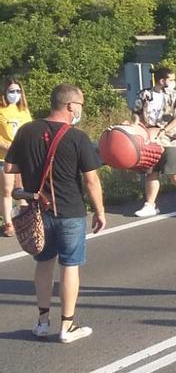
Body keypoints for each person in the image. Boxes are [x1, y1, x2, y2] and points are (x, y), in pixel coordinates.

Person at [5, 83, 105, 343]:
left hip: (38, 210)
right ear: (70, 105)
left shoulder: (27, 130)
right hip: (70, 210)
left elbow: (10, 168)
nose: (80, 110)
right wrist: (100, 210)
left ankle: (41, 321)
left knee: (43, 263)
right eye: (80, 105)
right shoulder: (77, 137)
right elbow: (91, 180)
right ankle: (67, 326)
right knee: (70, 266)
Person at [132, 67, 176, 217]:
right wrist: (136, 124)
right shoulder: (145, 95)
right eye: (171, 79)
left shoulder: (175, 96)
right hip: (150, 139)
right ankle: (150, 204)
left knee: (174, 174)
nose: (174, 82)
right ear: (162, 80)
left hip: (169, 139)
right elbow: (136, 112)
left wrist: (164, 130)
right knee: (151, 173)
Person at [0, 78, 33, 236]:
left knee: (22, 190)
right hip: (4, 157)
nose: (15, 94)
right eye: (11, 91)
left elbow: (29, 130)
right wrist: (6, 145)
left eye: (18, 91)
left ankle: (24, 218)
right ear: (4, 92)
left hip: (23, 157)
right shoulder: (1, 110)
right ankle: (8, 223)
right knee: (7, 190)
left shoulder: (23, 110)